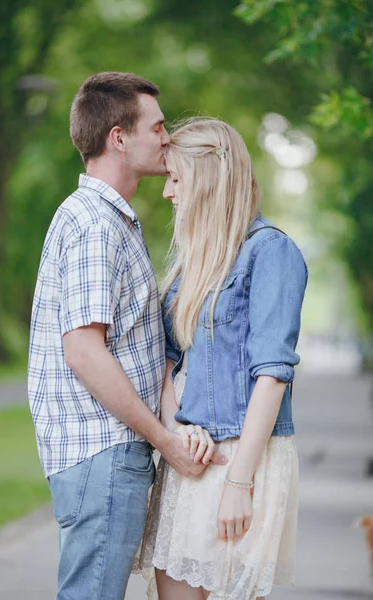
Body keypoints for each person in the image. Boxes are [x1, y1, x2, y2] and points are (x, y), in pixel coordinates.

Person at [27, 73, 227, 600]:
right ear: (119, 137)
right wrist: (167, 442)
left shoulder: (110, 220)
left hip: (107, 455)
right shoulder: (96, 225)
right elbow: (84, 352)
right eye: (157, 126)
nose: (167, 137)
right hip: (104, 452)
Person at [136, 117, 308, 600]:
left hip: (243, 458)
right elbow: (168, 363)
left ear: (208, 177)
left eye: (175, 178)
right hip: (190, 458)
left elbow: (272, 377)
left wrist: (239, 482)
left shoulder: (272, 252)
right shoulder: (195, 260)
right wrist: (176, 428)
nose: (168, 192)